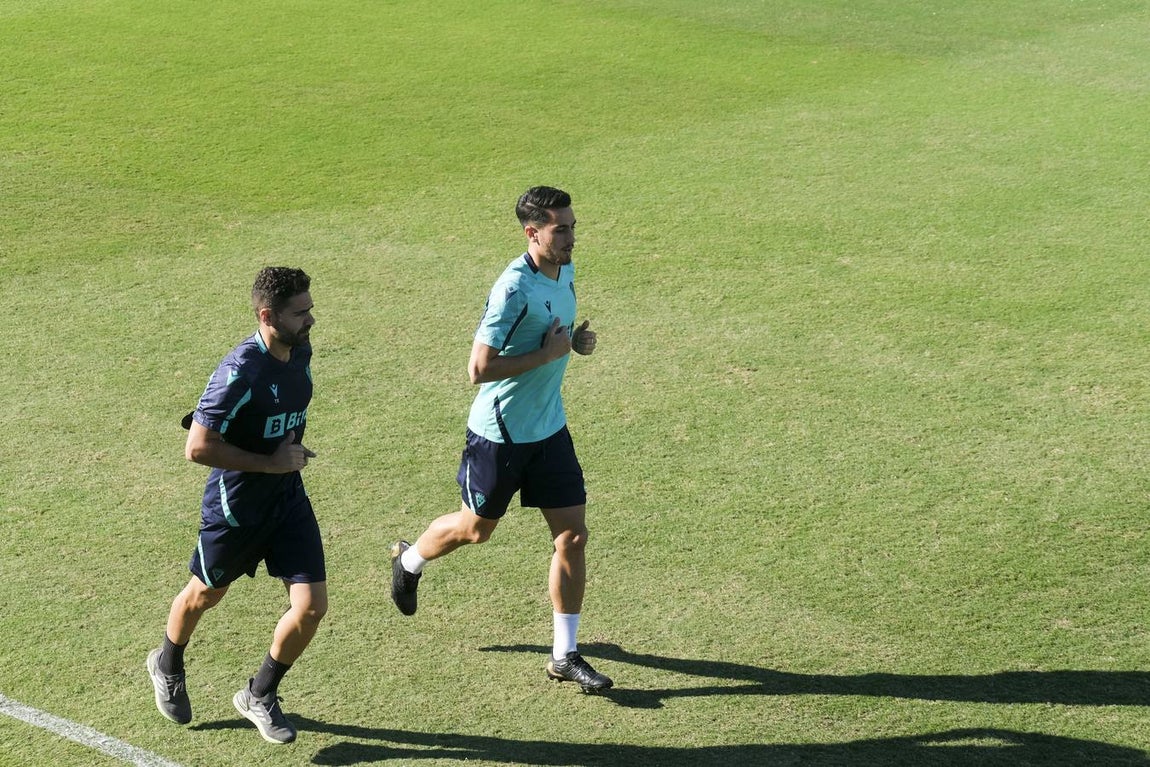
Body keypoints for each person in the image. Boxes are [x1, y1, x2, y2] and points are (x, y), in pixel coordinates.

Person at [390, 186, 612, 692]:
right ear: (533, 234)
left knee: (573, 537)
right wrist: (550, 354)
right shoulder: (513, 288)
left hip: (549, 428)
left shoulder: (565, 270)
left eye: (573, 226)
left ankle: (564, 654)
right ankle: (409, 560)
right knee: (475, 530)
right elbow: (479, 368)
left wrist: (572, 344)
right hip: (502, 432)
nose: (572, 236)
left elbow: (552, 337)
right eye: (562, 229)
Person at [146, 266, 326, 745]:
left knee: (310, 608)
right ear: (267, 315)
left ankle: (260, 693)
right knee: (205, 594)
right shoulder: (239, 371)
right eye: (300, 312)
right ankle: (167, 661)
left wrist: (287, 454)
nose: (311, 320)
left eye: (310, 308)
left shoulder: (299, 349)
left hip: (287, 500)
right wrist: (270, 462)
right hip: (236, 507)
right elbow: (197, 447)